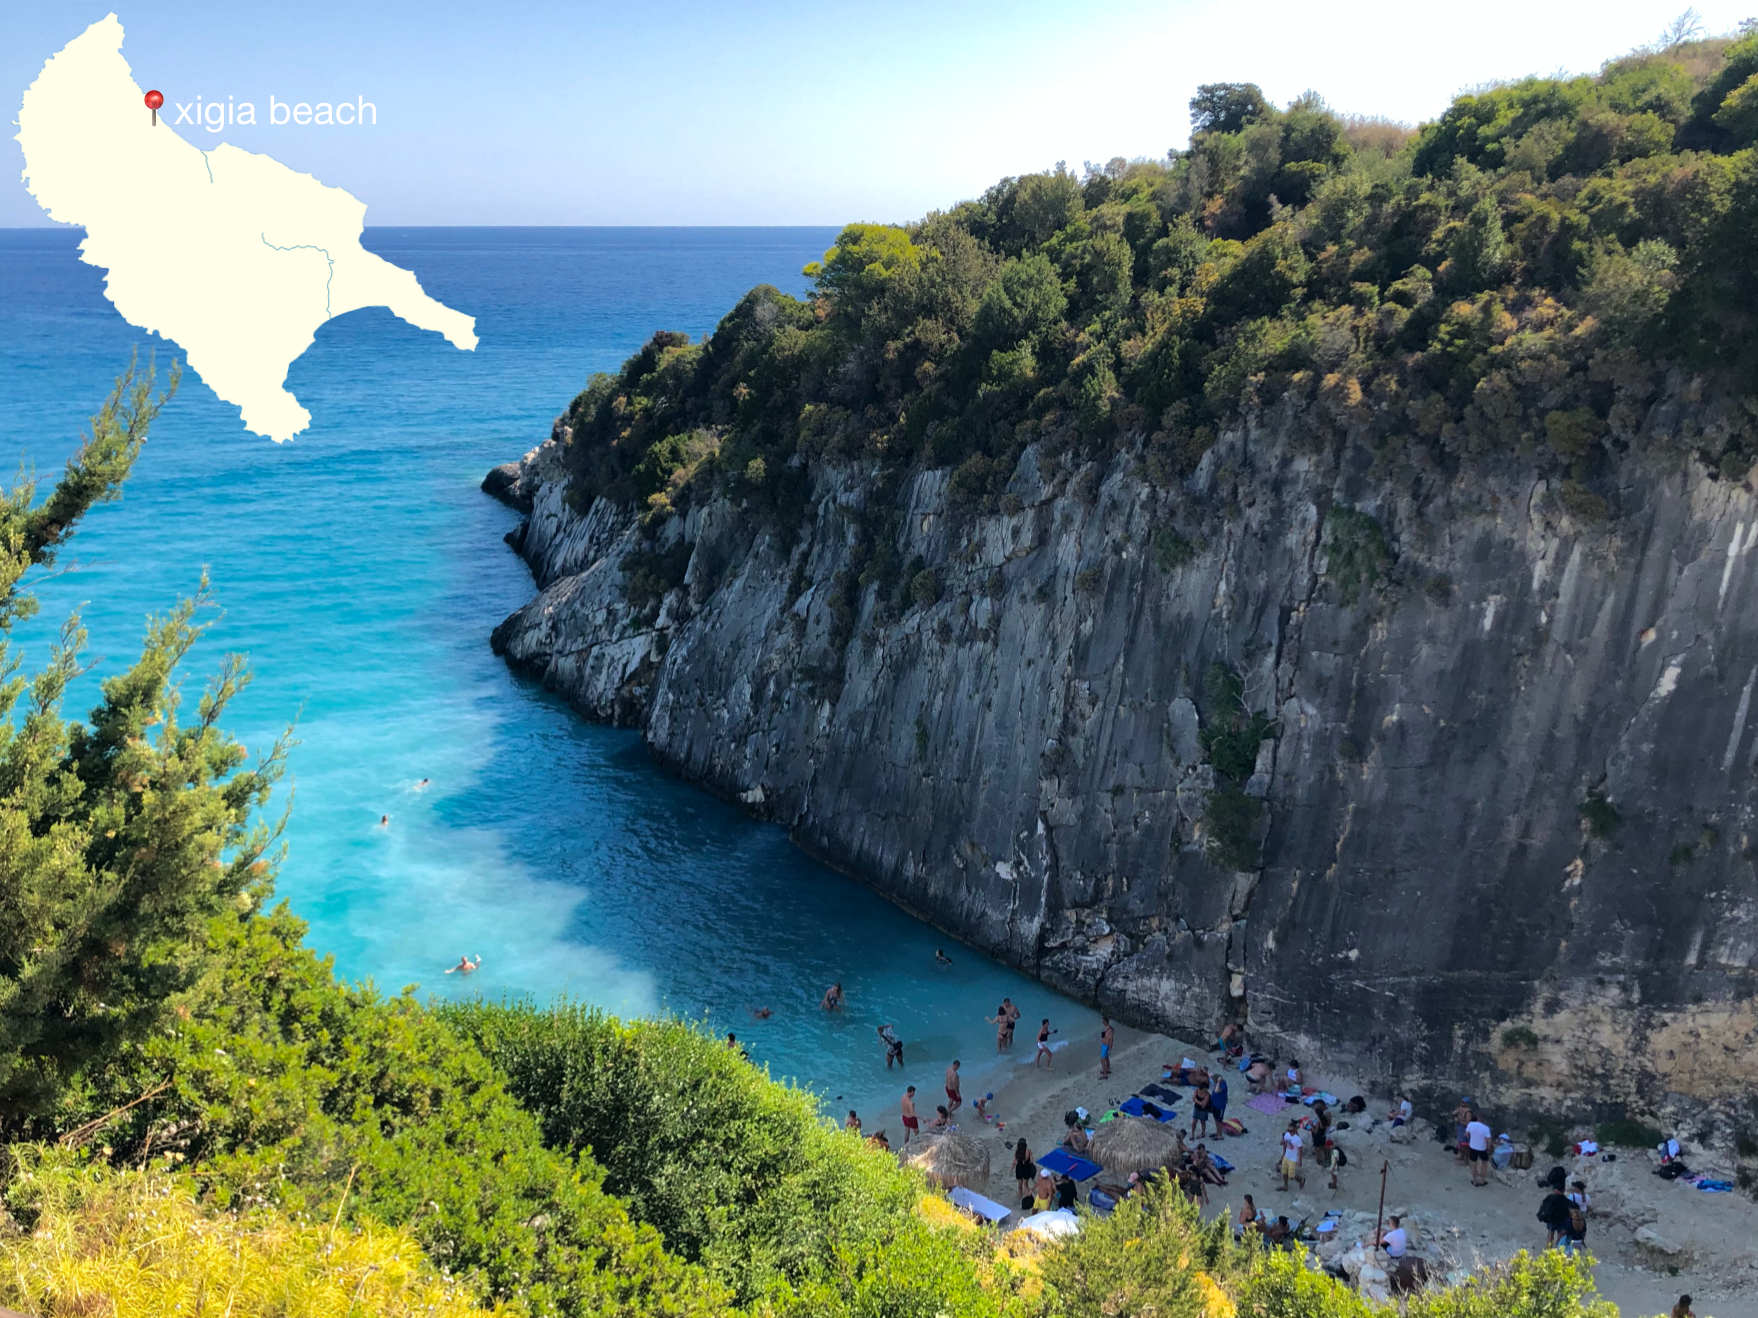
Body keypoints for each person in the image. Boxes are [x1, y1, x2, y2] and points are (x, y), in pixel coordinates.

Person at [1465, 1112, 1493, 1186]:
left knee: (1473, 1164)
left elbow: (1466, 1134)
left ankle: (1474, 1180)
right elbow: (1489, 1140)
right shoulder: (1486, 1128)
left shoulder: (1471, 1124)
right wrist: (1488, 1148)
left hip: (1473, 1147)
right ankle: (1482, 1180)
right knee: (1484, 1164)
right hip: (1482, 1148)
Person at [1563, 1180, 1590, 1256]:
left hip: (1574, 1213)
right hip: (1583, 1214)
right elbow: (1588, 1205)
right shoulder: (1587, 1197)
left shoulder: (1572, 1196)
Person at [1279, 1120, 1306, 1190]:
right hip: (1287, 1156)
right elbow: (1284, 1144)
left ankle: (1301, 1179)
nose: (1289, 1132)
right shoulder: (1287, 1135)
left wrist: (1300, 1160)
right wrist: (1284, 1152)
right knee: (1284, 1172)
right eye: (1289, 1130)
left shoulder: (1297, 1139)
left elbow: (1300, 1150)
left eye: (1291, 1130)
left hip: (1293, 1158)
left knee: (1291, 1175)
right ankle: (1285, 1185)